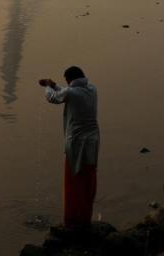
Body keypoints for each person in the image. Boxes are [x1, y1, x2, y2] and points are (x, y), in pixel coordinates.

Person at [38, 66, 99, 229]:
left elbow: (54, 98)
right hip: (92, 142)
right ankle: (86, 217)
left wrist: (48, 86)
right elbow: (68, 93)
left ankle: (73, 220)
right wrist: (56, 85)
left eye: (66, 81)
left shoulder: (71, 93)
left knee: (74, 181)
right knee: (88, 180)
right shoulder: (92, 89)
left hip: (76, 144)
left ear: (70, 79)